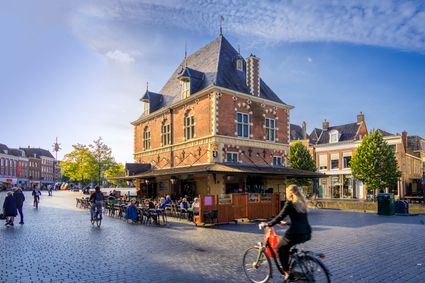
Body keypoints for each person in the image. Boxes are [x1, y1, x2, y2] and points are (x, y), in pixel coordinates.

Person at [260, 185, 312, 280]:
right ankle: (293, 265)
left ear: (290, 193)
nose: (286, 194)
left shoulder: (290, 203)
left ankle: (287, 272)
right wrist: (287, 223)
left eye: (287, 192)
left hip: (295, 233)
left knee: (279, 248)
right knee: (287, 249)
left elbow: (280, 216)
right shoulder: (302, 203)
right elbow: (299, 219)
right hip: (307, 232)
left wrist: (268, 224)